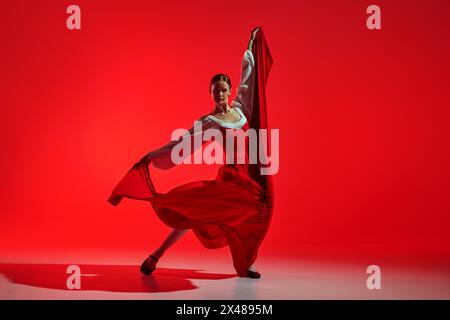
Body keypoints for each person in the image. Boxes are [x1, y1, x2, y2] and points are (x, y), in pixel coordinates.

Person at [108, 27, 274, 279]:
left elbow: (248, 80)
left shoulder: (241, 111)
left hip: (248, 178)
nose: (220, 93)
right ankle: (157, 254)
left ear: (229, 92)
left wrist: (250, 48)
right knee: (192, 211)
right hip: (230, 180)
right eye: (215, 90)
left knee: (260, 214)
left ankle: (245, 264)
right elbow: (183, 143)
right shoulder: (209, 121)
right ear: (211, 93)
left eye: (223, 89)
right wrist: (153, 156)